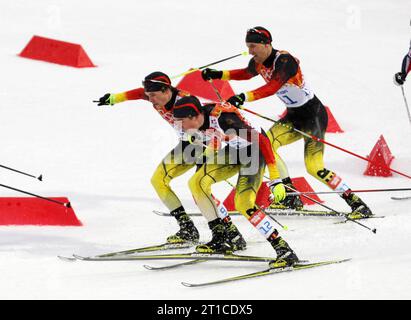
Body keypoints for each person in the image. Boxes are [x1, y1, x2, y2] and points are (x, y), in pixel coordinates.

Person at [201, 26, 372, 219]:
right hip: (292, 117)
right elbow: (246, 73)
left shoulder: (284, 61)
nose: (250, 51)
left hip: (313, 116)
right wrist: (218, 74)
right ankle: (291, 197)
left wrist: (244, 97)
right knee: (267, 145)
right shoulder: (258, 61)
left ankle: (357, 204)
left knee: (314, 168)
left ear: (267, 44)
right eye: (248, 46)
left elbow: (273, 86)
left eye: (253, 46)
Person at [95, 72, 246, 250]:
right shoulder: (155, 95)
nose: (150, 99)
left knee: (200, 189)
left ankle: (230, 231)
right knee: (158, 180)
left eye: (153, 95)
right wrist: (114, 98)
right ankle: (187, 229)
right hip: (187, 145)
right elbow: (138, 93)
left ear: (166, 90)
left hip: (205, 144)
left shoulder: (184, 100)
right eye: (149, 95)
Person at [173, 95, 299, 267]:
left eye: (181, 121)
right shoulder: (200, 119)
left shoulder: (224, 118)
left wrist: (276, 179)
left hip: (255, 151)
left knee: (243, 203)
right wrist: (205, 158)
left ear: (193, 117)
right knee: (196, 183)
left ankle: (284, 250)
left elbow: (262, 140)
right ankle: (227, 237)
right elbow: (216, 139)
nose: (180, 126)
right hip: (235, 150)